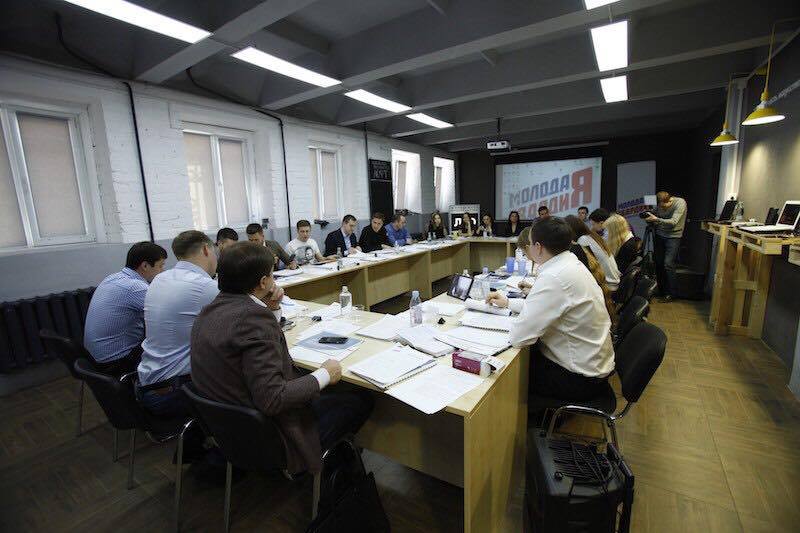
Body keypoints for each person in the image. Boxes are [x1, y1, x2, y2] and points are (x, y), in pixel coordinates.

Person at [190, 242, 373, 474]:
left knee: (320, 385)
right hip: (272, 435)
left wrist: (273, 309)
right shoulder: (253, 318)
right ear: (263, 282)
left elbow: (252, 342)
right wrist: (326, 374)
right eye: (271, 274)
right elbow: (273, 398)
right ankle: (332, 463)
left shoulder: (209, 311)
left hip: (229, 428)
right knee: (359, 398)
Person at [485, 217, 615, 402]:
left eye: (530, 243)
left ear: (538, 247)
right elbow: (545, 307)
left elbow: (518, 337)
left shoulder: (554, 276)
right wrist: (508, 303)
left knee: (504, 375)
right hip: (593, 367)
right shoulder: (569, 263)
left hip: (579, 379)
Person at [135, 231, 219, 419]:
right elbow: (248, 316)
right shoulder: (204, 286)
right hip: (174, 392)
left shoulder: (160, 279)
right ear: (206, 249)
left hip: (148, 382)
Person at [83, 242, 168, 375]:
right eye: (161, 266)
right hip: (117, 362)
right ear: (145, 266)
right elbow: (169, 313)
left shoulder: (113, 278)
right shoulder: (135, 287)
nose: (163, 271)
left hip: (94, 359)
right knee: (173, 345)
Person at [644, 191, 687, 302]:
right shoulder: (659, 205)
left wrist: (656, 219)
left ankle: (672, 293)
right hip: (660, 235)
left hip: (673, 237)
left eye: (663, 206)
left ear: (668, 201)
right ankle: (662, 291)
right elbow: (653, 212)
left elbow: (673, 222)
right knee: (658, 263)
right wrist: (647, 215)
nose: (662, 208)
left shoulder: (680, 203)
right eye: (660, 206)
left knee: (668, 264)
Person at [565, 215, 621, 291]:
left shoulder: (583, 241)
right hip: (614, 281)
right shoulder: (592, 236)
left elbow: (586, 270)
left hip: (608, 287)